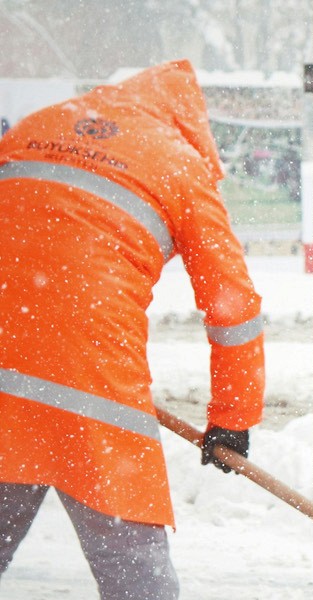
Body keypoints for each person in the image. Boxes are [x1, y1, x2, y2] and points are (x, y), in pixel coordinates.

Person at [0, 60, 266, 599]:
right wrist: (233, 419)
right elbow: (233, 307)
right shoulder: (178, 162)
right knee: (133, 570)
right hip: (92, 382)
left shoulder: (35, 125)